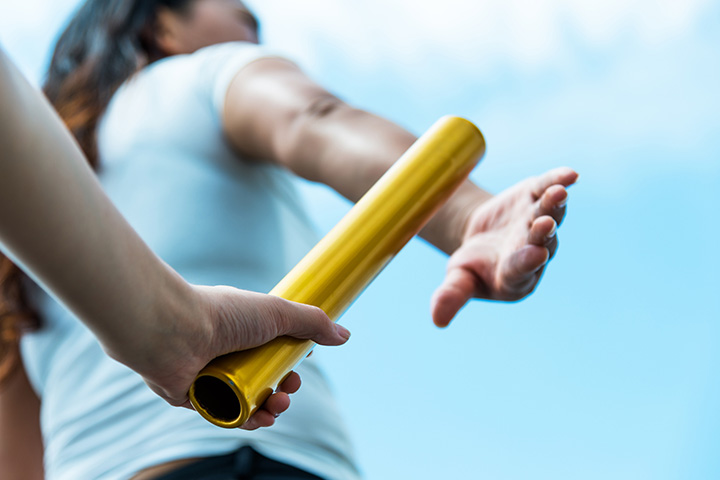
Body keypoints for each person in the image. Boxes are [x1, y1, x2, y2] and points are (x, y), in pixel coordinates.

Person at [0, 0, 578, 479]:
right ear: (161, 24)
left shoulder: (24, 231)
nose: (255, 32)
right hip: (260, 461)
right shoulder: (199, 78)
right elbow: (315, 119)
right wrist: (467, 215)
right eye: (240, 14)